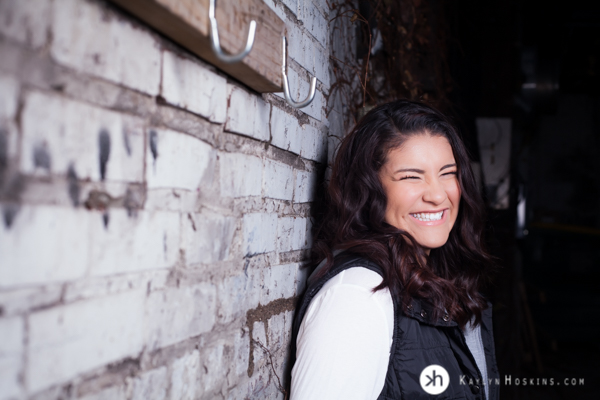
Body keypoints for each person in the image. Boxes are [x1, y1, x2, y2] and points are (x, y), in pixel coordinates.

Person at [289, 100, 499, 400]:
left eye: (448, 172)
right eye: (411, 176)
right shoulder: (359, 296)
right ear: (369, 188)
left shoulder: (439, 281)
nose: (438, 194)